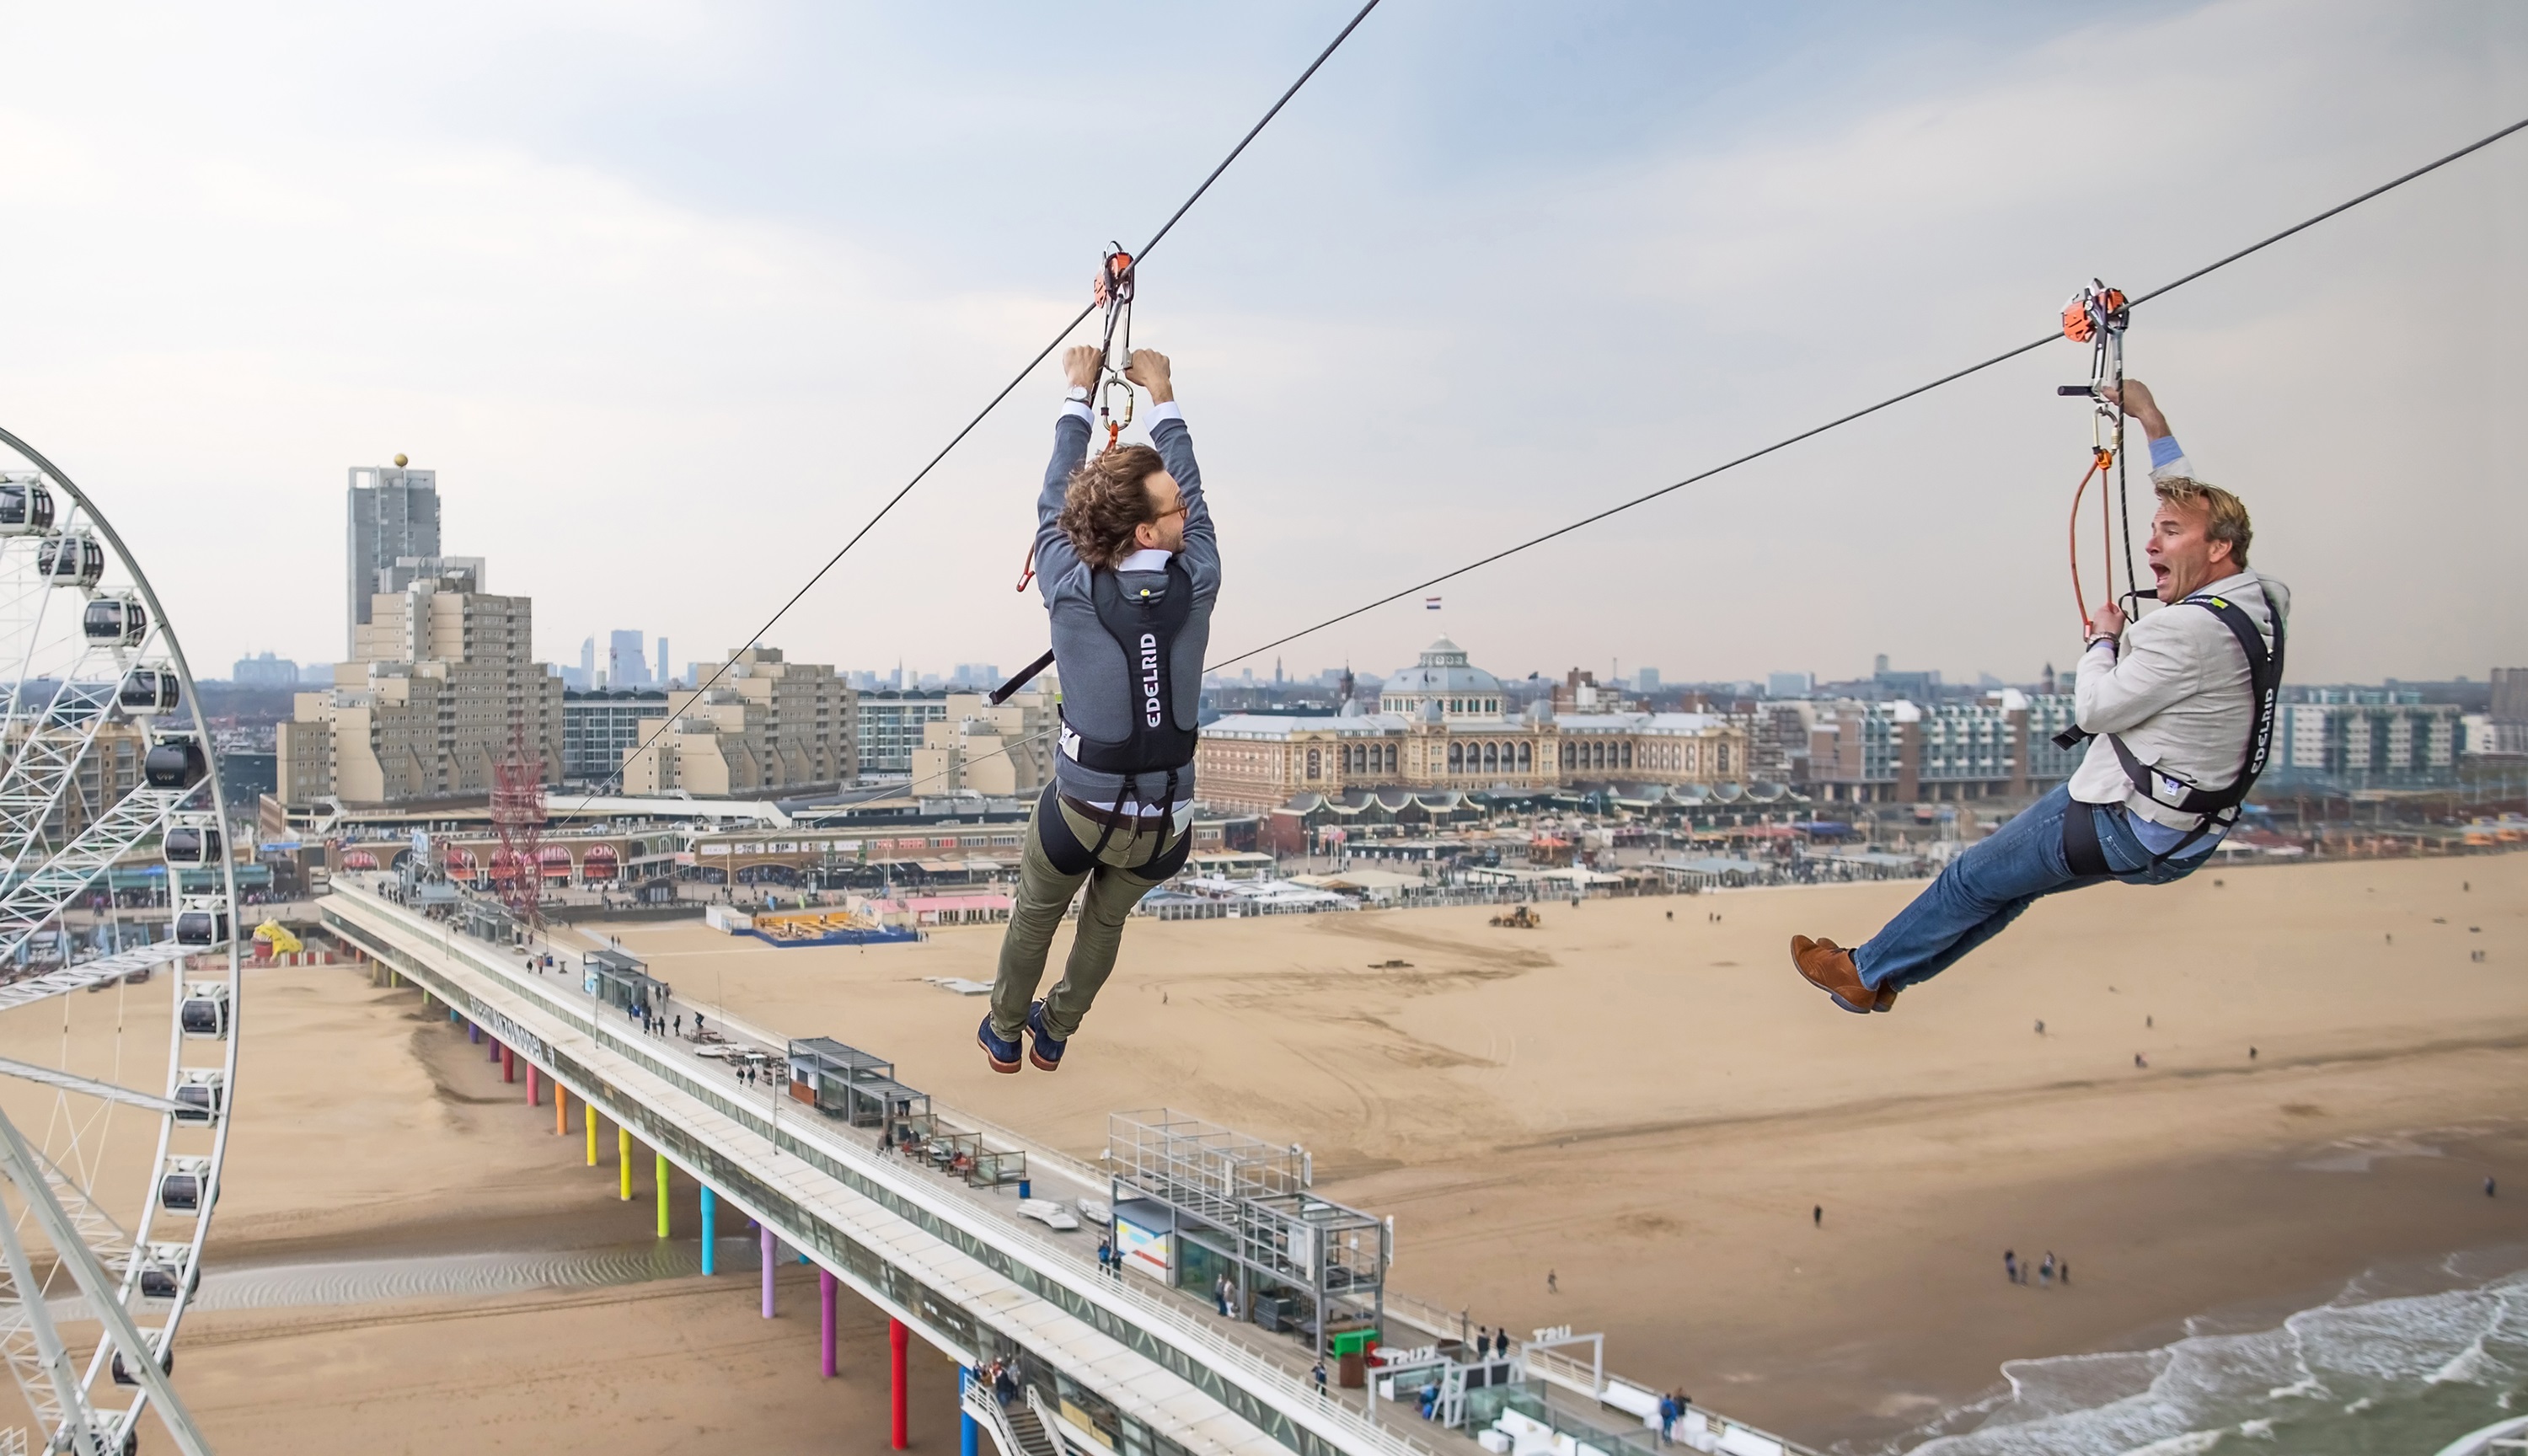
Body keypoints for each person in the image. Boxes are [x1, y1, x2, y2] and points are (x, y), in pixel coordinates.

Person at [1792, 382, 2287, 1013]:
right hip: (2188, 835)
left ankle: (1861, 975)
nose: (2151, 544)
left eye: (2168, 534)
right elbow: (2201, 513)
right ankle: (1885, 976)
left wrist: (2103, 642)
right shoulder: (2264, 598)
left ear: (2217, 549)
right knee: (2005, 888)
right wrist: (2152, 423)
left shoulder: (2182, 629)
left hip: (2127, 822)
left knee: (1972, 879)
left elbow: (2094, 711)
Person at [980, 342, 1214, 1075]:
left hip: (1083, 805)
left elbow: (1054, 501)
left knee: (1037, 913)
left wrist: (1077, 394)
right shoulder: (1198, 577)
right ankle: (1057, 1030)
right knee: (1105, 920)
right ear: (1149, 532)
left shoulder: (1072, 588)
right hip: (1165, 822)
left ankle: (1006, 1029)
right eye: (1172, 505)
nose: (1184, 508)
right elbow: (1197, 501)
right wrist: (1163, 396)